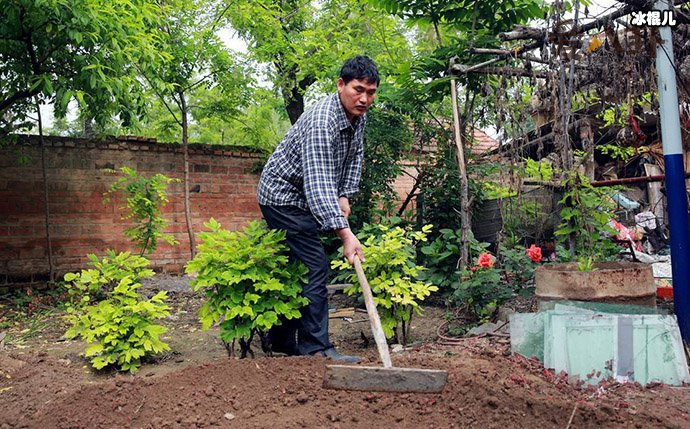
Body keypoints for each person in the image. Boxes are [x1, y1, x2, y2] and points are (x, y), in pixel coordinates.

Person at [256, 56, 379, 363]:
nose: (365, 99)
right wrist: (346, 234)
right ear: (341, 85)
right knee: (314, 266)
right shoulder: (323, 122)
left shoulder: (357, 117)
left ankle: (284, 342)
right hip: (282, 197)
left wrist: (345, 195)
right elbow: (318, 184)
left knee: (298, 268)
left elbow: (354, 156)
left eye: (371, 92)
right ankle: (315, 349)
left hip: (303, 196)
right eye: (358, 89)